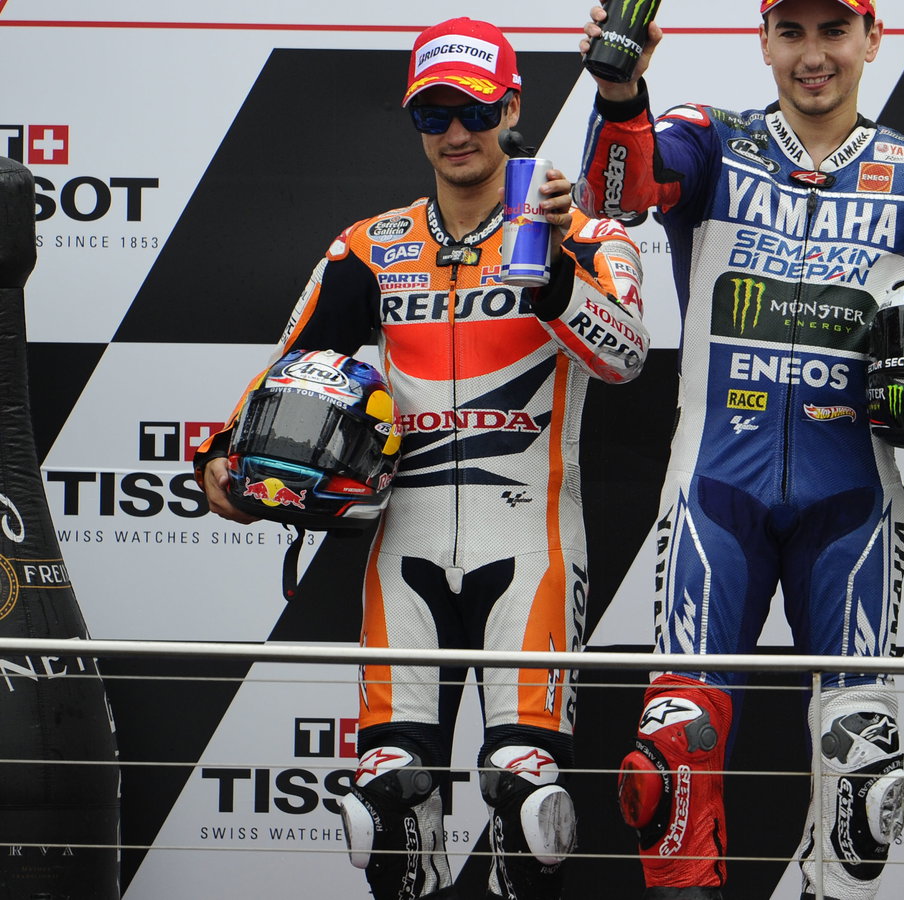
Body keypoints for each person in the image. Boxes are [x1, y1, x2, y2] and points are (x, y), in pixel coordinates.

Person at [575, 1, 904, 898]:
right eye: (792, 32)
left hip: (852, 502)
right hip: (713, 492)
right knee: (672, 757)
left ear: (871, 39)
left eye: (833, 32)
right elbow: (618, 195)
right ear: (764, 42)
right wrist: (620, 89)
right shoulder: (712, 139)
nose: (812, 55)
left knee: (864, 777)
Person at [195, 17, 651, 900]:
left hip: (532, 546)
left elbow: (627, 357)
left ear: (511, 107)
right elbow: (288, 370)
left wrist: (555, 272)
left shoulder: (585, 233)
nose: (455, 133)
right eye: (432, 114)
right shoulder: (370, 246)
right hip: (400, 548)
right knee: (386, 802)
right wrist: (224, 460)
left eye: (473, 111)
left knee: (527, 798)